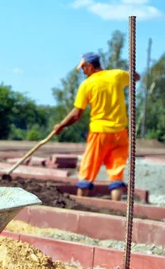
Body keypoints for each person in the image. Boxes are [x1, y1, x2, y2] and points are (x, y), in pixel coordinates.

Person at [53, 52, 141, 201]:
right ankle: (117, 207)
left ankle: (79, 205)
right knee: (116, 175)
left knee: (87, 172)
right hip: (120, 133)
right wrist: (129, 71)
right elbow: (136, 77)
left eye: (83, 68)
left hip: (99, 133)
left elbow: (76, 114)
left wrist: (61, 125)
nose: (82, 72)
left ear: (90, 66)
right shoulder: (117, 75)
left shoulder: (87, 85)